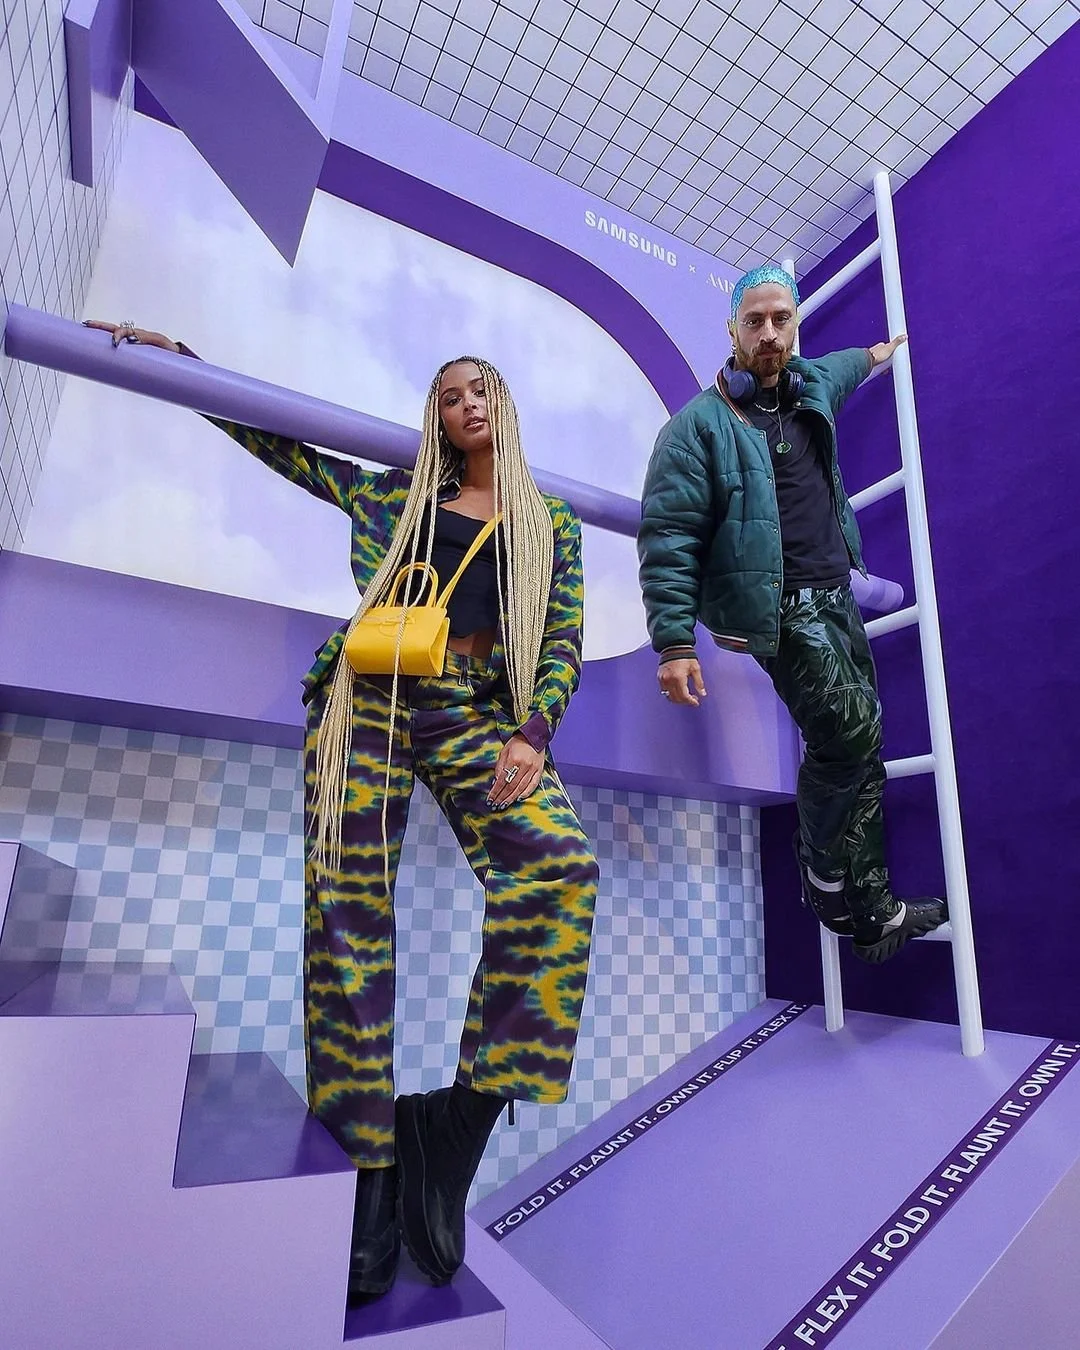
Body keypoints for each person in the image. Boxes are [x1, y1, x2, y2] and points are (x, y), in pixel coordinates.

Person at [85, 322, 599, 1299]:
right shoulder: (391, 493)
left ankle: (454, 1126)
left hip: (477, 715)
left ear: (505, 405)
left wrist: (534, 733)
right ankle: (369, 1162)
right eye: (450, 395)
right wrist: (183, 364)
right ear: (436, 418)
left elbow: (564, 636)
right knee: (347, 923)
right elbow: (283, 443)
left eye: (481, 389)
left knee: (562, 867)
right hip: (369, 704)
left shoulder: (551, 524)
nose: (468, 404)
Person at [636, 265, 946, 965]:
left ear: (794, 323)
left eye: (782, 319)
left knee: (864, 749)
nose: (770, 333)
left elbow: (843, 367)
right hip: (779, 610)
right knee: (850, 735)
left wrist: (877, 354)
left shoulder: (810, 385)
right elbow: (669, 537)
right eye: (755, 321)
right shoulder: (696, 428)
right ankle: (823, 875)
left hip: (838, 594)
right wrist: (674, 643)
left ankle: (875, 911)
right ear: (732, 330)